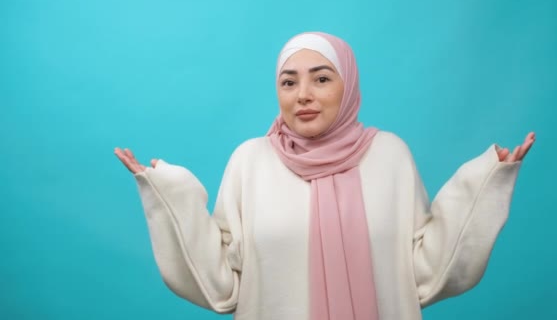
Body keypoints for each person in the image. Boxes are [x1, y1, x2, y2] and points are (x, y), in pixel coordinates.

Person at [114, 32, 535, 320]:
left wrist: (484, 182)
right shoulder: (251, 161)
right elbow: (222, 282)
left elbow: (423, 271)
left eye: (321, 78)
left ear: (347, 85)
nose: (304, 95)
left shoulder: (389, 155)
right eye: (288, 82)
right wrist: (167, 194)